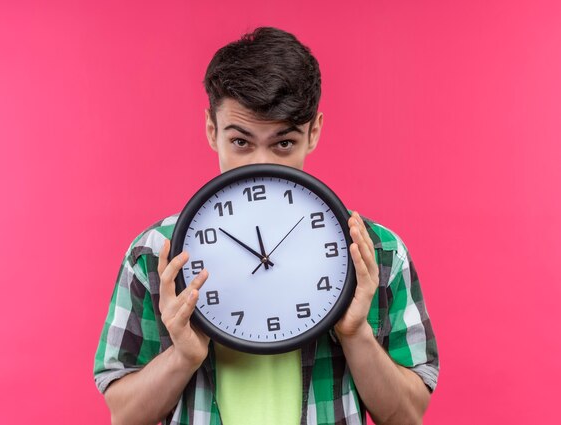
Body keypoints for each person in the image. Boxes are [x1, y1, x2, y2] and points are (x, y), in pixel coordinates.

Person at [94, 27, 439, 425]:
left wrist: (355, 332)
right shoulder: (156, 253)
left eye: (283, 143)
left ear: (314, 133)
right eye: (241, 142)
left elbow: (408, 416)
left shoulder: (377, 253)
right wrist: (182, 356)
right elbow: (123, 415)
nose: (262, 164)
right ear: (212, 130)